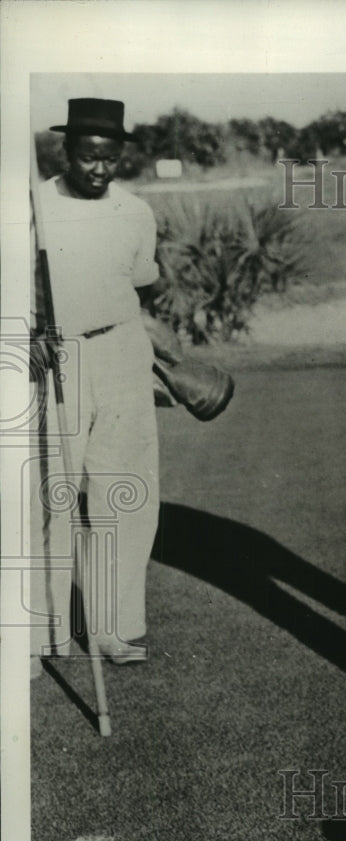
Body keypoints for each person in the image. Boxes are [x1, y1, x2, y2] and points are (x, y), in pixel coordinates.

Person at [30, 98, 182, 670]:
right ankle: (46, 630)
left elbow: (139, 284)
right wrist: (29, 332)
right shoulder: (34, 206)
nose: (99, 169)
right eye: (89, 157)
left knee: (124, 490)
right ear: (66, 152)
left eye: (110, 158)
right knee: (52, 490)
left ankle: (114, 629)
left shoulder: (135, 212)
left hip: (120, 348)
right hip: (55, 354)